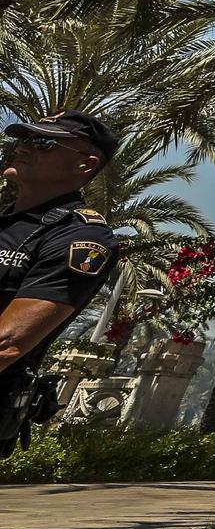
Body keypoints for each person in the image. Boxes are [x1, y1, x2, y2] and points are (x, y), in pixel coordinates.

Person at [0, 113, 121, 454]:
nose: (22, 148)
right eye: (21, 139)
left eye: (43, 142)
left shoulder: (80, 237)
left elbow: (7, 342)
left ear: (85, 165)